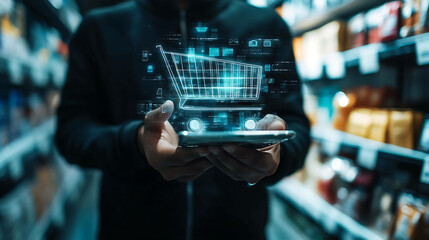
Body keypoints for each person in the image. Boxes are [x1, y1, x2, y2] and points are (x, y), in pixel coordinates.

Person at [55, 0, 310, 239]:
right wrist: (135, 143)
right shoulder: (99, 29)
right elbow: (71, 130)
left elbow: (295, 126)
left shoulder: (267, 25)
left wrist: (274, 154)